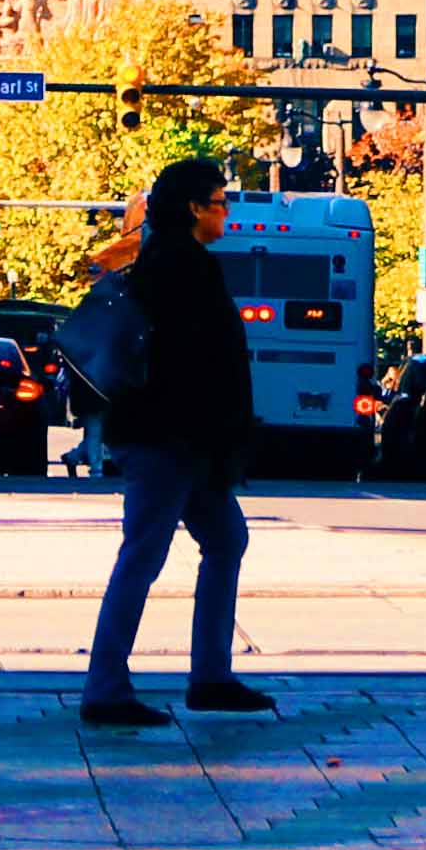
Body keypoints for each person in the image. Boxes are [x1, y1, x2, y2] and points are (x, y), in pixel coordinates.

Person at [76, 155, 267, 729]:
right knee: (143, 556)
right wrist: (217, 433)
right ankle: (107, 687)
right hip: (172, 439)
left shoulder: (164, 262)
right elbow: (197, 363)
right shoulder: (183, 267)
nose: (225, 212)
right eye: (219, 201)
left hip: (176, 438)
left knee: (226, 538)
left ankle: (210, 676)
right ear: (193, 208)